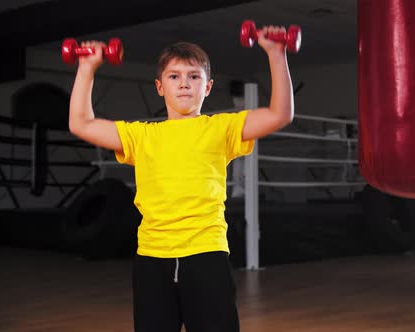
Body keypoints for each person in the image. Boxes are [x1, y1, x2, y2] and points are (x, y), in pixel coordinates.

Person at [68, 24, 294, 332]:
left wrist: (275, 52)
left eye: (194, 77)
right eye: (174, 77)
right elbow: (81, 123)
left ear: (208, 86)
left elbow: (280, 114)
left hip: (206, 254)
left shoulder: (220, 128)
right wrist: (86, 67)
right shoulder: (141, 135)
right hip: (152, 258)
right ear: (160, 87)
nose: (184, 84)